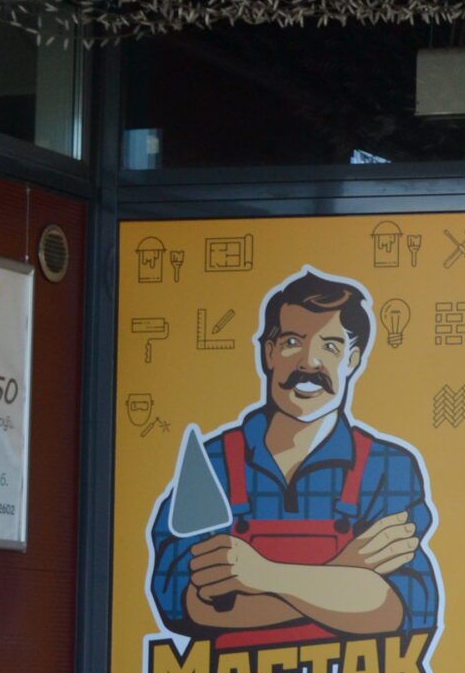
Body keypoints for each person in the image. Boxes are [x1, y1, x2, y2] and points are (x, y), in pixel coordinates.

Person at [148, 269, 438, 645]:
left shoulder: (388, 467)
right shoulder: (211, 464)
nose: (309, 362)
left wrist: (262, 575)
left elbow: (399, 608)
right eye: (291, 342)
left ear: (353, 359)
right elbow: (188, 604)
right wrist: (347, 572)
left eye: (330, 346)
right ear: (269, 352)